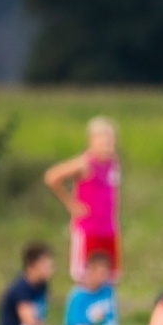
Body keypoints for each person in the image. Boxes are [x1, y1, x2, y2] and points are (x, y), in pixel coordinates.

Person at [44, 116, 122, 284]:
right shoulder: (85, 163)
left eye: (110, 139)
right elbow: (52, 177)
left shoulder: (113, 163)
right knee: (86, 276)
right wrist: (70, 203)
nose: (107, 143)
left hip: (108, 229)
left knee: (110, 276)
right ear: (92, 140)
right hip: (88, 229)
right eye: (103, 139)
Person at [0, 242, 71, 325]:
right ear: (32, 266)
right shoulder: (21, 288)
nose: (50, 270)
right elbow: (29, 321)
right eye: (45, 266)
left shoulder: (42, 286)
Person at [64, 251, 133, 325]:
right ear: (90, 271)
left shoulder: (107, 292)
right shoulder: (78, 296)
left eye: (105, 274)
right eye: (101, 273)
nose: (104, 278)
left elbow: (111, 321)